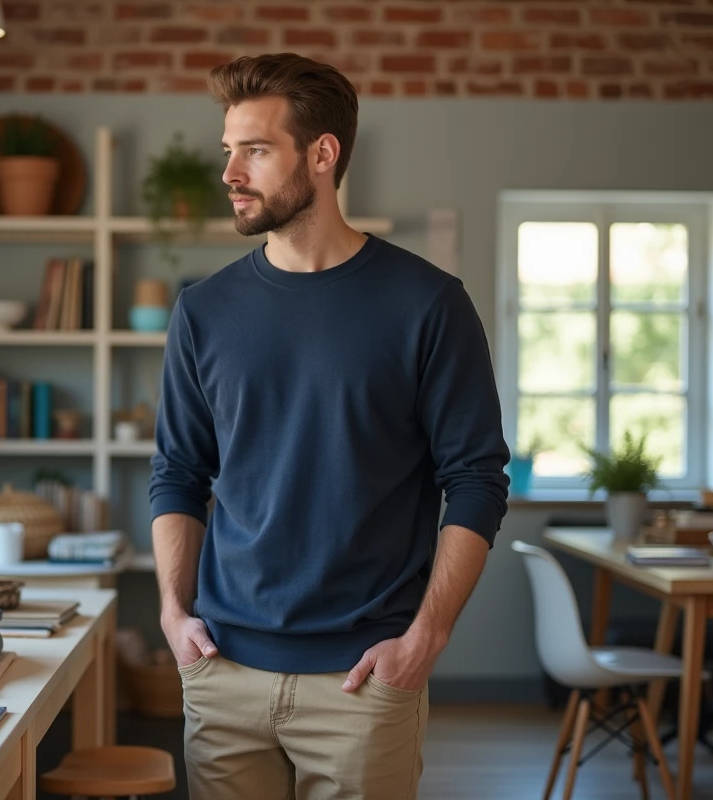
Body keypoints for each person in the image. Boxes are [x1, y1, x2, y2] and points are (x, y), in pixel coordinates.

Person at [148, 53, 511, 799]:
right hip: (223, 673)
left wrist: (426, 639)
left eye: (254, 149)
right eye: (228, 150)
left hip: (363, 680)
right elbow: (179, 474)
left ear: (322, 154)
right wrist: (173, 613)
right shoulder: (203, 312)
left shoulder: (428, 305)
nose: (230, 172)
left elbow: (475, 480)